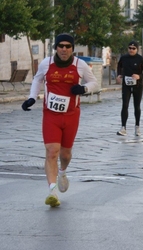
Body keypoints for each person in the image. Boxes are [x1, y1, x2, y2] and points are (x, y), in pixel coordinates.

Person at [21, 33, 98, 207]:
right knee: (52, 151)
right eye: (61, 46)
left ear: (72, 48)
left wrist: (83, 88)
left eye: (68, 46)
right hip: (51, 115)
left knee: (65, 154)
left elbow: (94, 83)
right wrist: (32, 97)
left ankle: (62, 172)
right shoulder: (46, 63)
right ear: (56, 47)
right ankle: (53, 191)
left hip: (71, 115)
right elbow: (37, 79)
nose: (64, 49)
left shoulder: (80, 65)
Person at [116, 40, 143, 136]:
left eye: (133, 48)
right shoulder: (124, 58)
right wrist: (119, 75)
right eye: (130, 48)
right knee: (125, 105)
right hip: (126, 84)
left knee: (137, 106)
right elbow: (119, 66)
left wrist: (139, 76)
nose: (131, 50)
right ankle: (123, 127)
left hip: (137, 85)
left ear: (137, 49)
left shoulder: (140, 59)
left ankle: (137, 127)